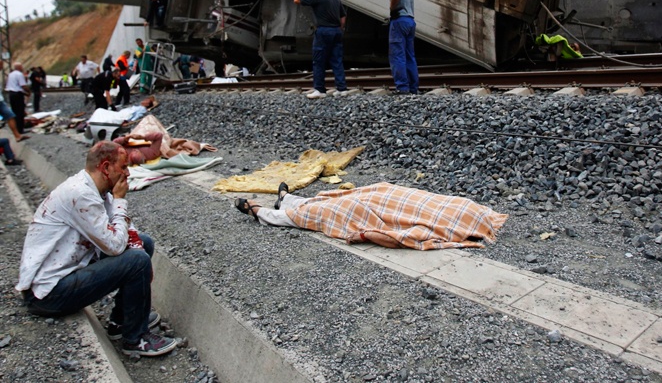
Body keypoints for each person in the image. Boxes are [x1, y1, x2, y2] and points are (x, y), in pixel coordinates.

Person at [15, 141, 176, 357]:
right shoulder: (80, 194)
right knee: (137, 261)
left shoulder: (98, 190)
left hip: (66, 273)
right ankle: (135, 339)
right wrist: (121, 201)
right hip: (48, 294)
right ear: (106, 167)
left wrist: (133, 236)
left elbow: (129, 235)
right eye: (123, 167)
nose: (127, 174)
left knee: (144, 243)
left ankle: (121, 322)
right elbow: (114, 246)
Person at [234, 182, 507, 250]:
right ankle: (289, 201)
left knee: (334, 207)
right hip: (389, 198)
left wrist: (364, 234)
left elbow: (399, 237)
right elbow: (405, 238)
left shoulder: (465, 209)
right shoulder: (454, 221)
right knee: (339, 202)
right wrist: (366, 235)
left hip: (381, 203)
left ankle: (265, 212)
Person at [293, 0, 347, 99]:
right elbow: (343, 16)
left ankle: (319, 89)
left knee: (319, 61)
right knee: (337, 60)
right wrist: (340, 28)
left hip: (324, 31)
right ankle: (341, 89)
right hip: (336, 31)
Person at [387, 0, 419, 94]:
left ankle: (402, 87)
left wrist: (392, 8)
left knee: (397, 55)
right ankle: (413, 88)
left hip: (399, 20)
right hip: (410, 21)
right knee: (409, 55)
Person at [5, 62, 30, 133]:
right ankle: (20, 129)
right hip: (17, 95)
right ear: (19, 67)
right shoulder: (19, 74)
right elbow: (23, 85)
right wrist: (28, 91)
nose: (22, 68)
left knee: (14, 111)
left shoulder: (10, 74)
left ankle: (16, 128)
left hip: (11, 94)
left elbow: (11, 85)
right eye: (21, 67)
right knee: (20, 112)